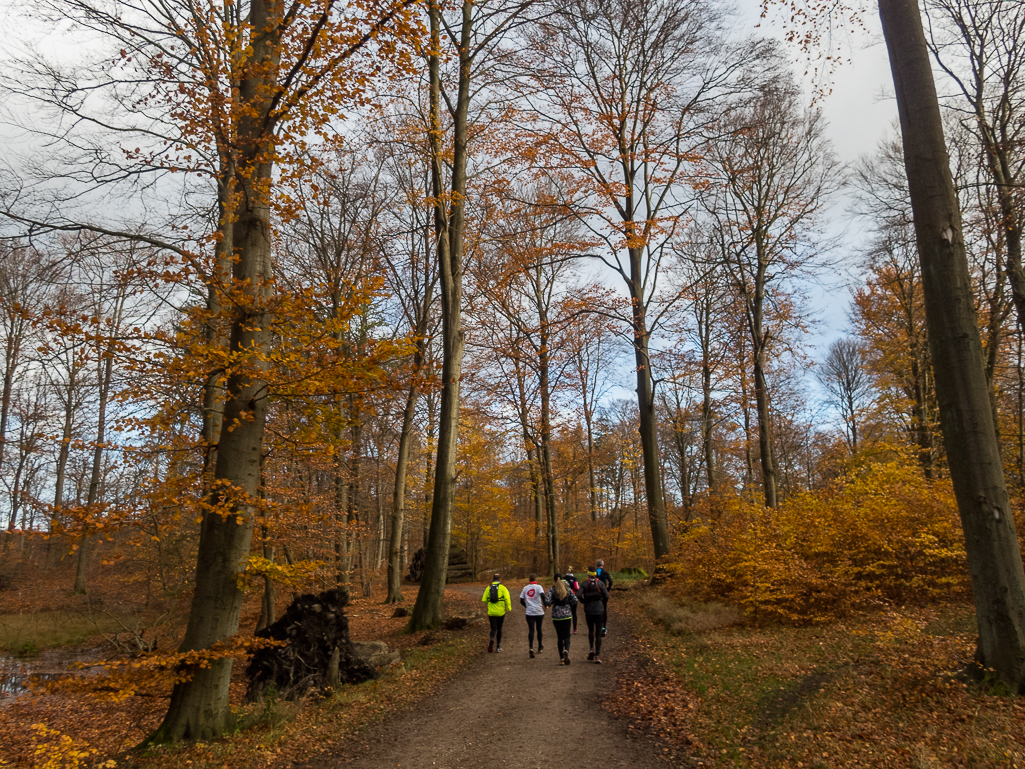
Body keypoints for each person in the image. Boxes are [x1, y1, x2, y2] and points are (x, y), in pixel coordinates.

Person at [545, 573, 577, 665]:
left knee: (559, 637)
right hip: (567, 615)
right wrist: (568, 605)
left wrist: (552, 603)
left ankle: (561, 659)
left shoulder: (552, 590)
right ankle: (566, 650)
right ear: (562, 579)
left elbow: (547, 601)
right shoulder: (567, 589)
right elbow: (575, 599)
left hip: (556, 615)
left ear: (554, 580)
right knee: (567, 636)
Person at [579, 569, 610, 663]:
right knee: (598, 632)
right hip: (599, 609)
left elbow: (578, 594)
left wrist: (584, 601)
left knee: (591, 630)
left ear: (588, 575)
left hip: (588, 609)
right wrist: (601, 602)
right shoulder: (600, 583)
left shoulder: (584, 583)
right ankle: (597, 655)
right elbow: (607, 596)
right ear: (595, 575)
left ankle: (591, 649)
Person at [481, 573, 511, 652]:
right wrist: (509, 608)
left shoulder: (488, 588)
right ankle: (498, 647)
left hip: (491, 612)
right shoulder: (503, 588)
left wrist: (490, 602)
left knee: (493, 629)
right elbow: (507, 599)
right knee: (499, 629)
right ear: (500, 580)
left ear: (493, 579)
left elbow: (484, 600)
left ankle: (491, 639)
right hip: (500, 612)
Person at [519, 574, 547, 658]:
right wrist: (545, 605)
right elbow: (542, 596)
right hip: (539, 611)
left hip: (529, 612)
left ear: (529, 580)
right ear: (536, 579)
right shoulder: (539, 587)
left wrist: (526, 606)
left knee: (531, 630)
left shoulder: (525, 588)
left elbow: (521, 600)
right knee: (539, 629)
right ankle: (540, 646)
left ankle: (531, 647)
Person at [595, 559, 614, 637]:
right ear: (603, 565)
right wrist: (608, 589)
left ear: (596, 565)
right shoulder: (605, 573)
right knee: (604, 609)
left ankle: (597, 626)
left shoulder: (594, 572)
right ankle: (603, 626)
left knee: (595, 609)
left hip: (595, 593)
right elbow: (611, 581)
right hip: (603, 593)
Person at [564, 566, 580, 634]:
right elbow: (576, 587)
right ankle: (574, 629)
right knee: (574, 613)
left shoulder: (563, 578)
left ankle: (566, 628)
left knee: (566, 612)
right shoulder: (574, 578)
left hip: (565, 596)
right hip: (573, 596)